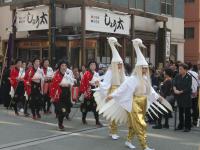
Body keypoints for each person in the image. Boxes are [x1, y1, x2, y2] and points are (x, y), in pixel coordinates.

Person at [103, 39, 172, 150]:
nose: (145, 70)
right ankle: (144, 146)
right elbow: (122, 89)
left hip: (143, 101)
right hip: (135, 102)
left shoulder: (145, 78)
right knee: (141, 124)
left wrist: (158, 97)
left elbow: (151, 91)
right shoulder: (132, 79)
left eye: (146, 68)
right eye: (143, 68)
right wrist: (112, 95)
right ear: (139, 68)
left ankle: (129, 141)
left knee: (133, 124)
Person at [94, 37, 125, 140]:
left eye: (121, 63)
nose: (120, 65)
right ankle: (112, 131)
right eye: (119, 64)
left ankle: (113, 130)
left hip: (119, 92)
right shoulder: (111, 71)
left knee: (118, 112)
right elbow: (106, 83)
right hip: (113, 92)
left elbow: (125, 80)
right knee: (113, 112)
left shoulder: (121, 72)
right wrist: (100, 84)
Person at [50, 60, 73, 130]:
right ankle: (60, 125)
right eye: (62, 66)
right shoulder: (56, 74)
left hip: (66, 95)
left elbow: (71, 84)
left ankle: (60, 120)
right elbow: (53, 85)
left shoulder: (68, 75)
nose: (64, 67)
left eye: (65, 66)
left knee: (67, 110)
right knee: (63, 111)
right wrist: (62, 84)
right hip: (59, 96)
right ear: (60, 66)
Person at [80, 60, 102, 127]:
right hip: (88, 91)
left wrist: (98, 84)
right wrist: (84, 92)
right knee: (85, 107)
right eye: (91, 65)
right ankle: (83, 118)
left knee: (96, 107)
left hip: (94, 91)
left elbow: (99, 82)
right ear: (89, 66)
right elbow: (83, 83)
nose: (93, 66)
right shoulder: (86, 73)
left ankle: (97, 121)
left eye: (94, 65)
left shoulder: (96, 73)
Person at [173, 63, 192, 132]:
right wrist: (175, 90)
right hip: (179, 97)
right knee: (180, 111)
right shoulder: (177, 76)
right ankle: (180, 125)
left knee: (187, 112)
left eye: (181, 69)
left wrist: (180, 91)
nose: (179, 70)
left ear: (185, 70)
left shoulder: (189, 77)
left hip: (186, 97)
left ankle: (187, 126)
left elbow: (188, 88)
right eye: (179, 69)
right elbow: (174, 83)